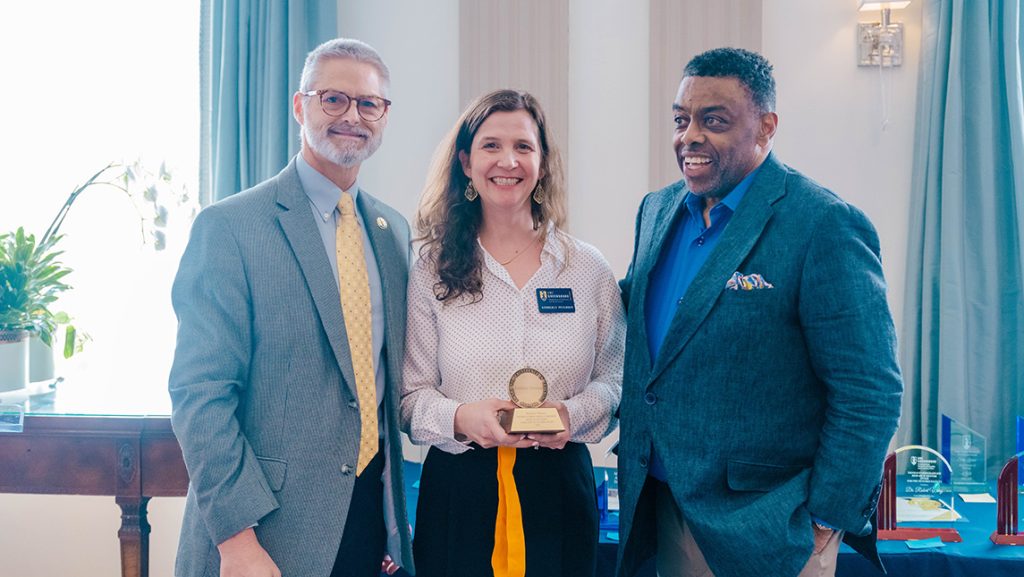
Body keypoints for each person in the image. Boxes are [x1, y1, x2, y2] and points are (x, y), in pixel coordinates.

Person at [616, 47, 904, 577]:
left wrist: (824, 520)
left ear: (766, 127)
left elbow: (870, 390)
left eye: (714, 121)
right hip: (664, 506)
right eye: (681, 120)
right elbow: (634, 322)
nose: (690, 137)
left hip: (774, 527)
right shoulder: (656, 210)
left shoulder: (823, 224)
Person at [169, 38, 414, 577]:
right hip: (264, 534)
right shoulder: (230, 227)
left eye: (368, 104)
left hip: (369, 531)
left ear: (384, 117)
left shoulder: (393, 232)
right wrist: (237, 541)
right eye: (334, 99)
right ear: (300, 106)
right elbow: (200, 397)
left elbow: (381, 390)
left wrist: (394, 524)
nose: (352, 116)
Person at [401, 89, 625, 577]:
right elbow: (409, 398)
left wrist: (572, 413)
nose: (509, 161)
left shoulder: (586, 269)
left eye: (524, 147)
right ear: (465, 161)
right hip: (460, 490)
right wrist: (463, 417)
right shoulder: (428, 268)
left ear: (542, 164)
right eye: (491, 145)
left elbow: (616, 382)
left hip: (561, 487)